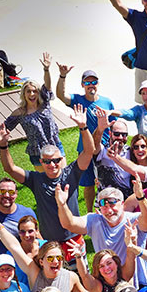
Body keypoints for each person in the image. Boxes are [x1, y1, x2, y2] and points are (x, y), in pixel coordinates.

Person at [0, 106, 98, 250]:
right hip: (50, 242)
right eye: (47, 161)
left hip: (74, 239)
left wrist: (83, 127)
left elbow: (89, 152)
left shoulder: (71, 173)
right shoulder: (35, 179)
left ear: (61, 159)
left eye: (56, 160)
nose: (52, 165)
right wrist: (3, 145)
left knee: (80, 272)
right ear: (41, 162)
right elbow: (10, 169)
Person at [0, 65, 63, 170]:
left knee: (62, 176)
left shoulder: (44, 104)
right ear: (24, 94)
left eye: (34, 91)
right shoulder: (20, 113)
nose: (32, 94)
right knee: (45, 182)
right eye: (28, 91)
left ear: (38, 93)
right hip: (37, 152)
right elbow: (3, 127)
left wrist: (46, 69)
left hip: (55, 145)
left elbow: (48, 86)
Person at [54, 63, 116, 213]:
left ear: (98, 83)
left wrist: (115, 143)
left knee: (108, 182)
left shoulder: (107, 102)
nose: (91, 85)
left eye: (93, 82)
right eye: (87, 82)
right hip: (85, 150)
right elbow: (61, 95)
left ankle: (110, 210)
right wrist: (63, 76)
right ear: (82, 85)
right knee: (88, 185)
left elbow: (113, 124)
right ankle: (90, 213)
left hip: (104, 150)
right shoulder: (77, 100)